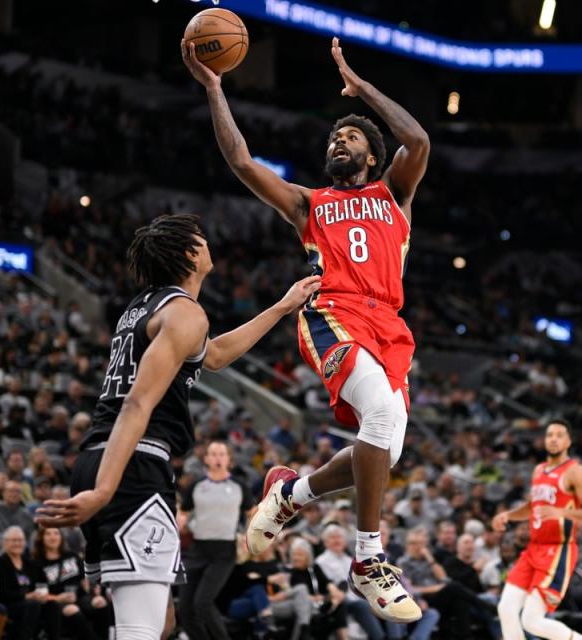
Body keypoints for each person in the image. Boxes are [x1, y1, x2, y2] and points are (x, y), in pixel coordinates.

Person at [182, 35, 430, 623]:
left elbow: (417, 139)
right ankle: (368, 559)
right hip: (332, 311)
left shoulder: (394, 192)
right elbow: (241, 161)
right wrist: (216, 89)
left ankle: (291, 493)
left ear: (372, 155)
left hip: (388, 324)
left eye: (348, 138)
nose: (336, 143)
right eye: (331, 138)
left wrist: (361, 89)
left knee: (386, 449)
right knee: (382, 419)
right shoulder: (308, 203)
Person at [36, 213, 319, 640]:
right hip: (132, 464)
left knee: (165, 621)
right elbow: (137, 403)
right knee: (141, 628)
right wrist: (105, 491)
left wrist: (282, 306)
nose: (209, 242)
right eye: (201, 238)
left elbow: (216, 354)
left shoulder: (143, 308)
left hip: (104, 457)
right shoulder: (185, 313)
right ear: (190, 254)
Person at [493, 419, 582, 640]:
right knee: (505, 609)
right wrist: (509, 515)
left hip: (557, 552)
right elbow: (533, 506)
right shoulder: (539, 470)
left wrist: (562, 513)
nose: (553, 439)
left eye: (559, 435)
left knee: (531, 621)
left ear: (568, 441)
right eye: (549, 435)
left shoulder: (574, 471)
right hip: (533, 550)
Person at [177, 440, 251, 640]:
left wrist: (247, 536)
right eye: (213, 454)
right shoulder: (196, 485)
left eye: (222, 454)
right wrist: (180, 522)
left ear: (229, 459)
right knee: (185, 609)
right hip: (197, 549)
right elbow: (183, 512)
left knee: (203, 602)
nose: (218, 457)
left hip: (224, 552)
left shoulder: (239, 486)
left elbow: (252, 513)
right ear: (206, 459)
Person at [31, 526, 102, 640]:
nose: (52, 537)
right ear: (41, 538)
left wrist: (93, 590)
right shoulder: (37, 563)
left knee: (100, 602)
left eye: (56, 533)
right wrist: (59, 598)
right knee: (72, 610)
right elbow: (40, 593)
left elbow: (84, 579)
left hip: (80, 597)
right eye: (48, 534)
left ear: (61, 537)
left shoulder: (72, 556)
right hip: (55, 603)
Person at [0, 526, 59, 640]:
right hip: (10, 604)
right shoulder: (0, 563)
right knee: (33, 605)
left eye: (20, 540)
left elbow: (41, 583)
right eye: (14, 540)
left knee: (52, 605)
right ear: (5, 543)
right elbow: (2, 593)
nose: (18, 543)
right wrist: (27, 596)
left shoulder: (29, 562)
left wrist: (42, 594)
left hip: (30, 602)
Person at [0, 481, 34, 548]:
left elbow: (29, 540)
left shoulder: (26, 514)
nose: (14, 494)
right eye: (11, 491)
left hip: (20, 553)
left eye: (17, 491)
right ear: (3, 493)